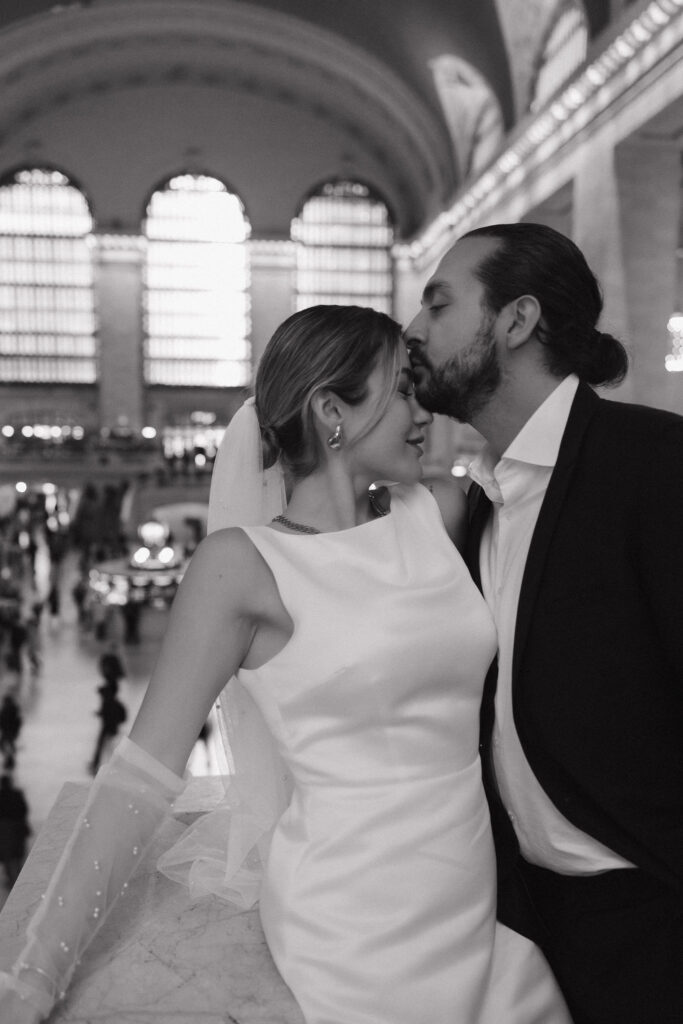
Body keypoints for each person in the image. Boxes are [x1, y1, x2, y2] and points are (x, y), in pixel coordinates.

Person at [0, 305, 571, 1024]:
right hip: (353, 917)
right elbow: (141, 775)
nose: (422, 411)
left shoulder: (441, 511)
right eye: (400, 389)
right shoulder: (240, 566)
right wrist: (33, 973)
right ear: (331, 410)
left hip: (473, 889)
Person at [404, 222, 683, 1024]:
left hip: (651, 917)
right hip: (525, 923)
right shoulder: (482, 504)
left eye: (437, 305)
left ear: (516, 321)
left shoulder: (652, 464)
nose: (414, 333)